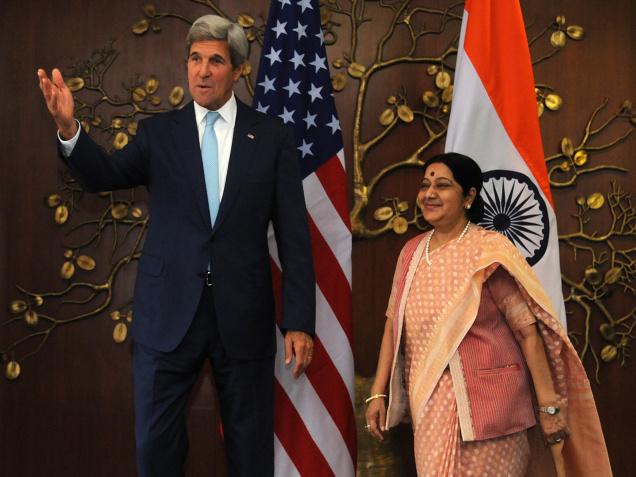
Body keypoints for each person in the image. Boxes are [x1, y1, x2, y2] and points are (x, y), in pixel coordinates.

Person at [37, 14, 315, 477]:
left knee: (250, 452)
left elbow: (293, 236)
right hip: (167, 315)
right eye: (194, 59)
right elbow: (103, 175)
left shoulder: (270, 136)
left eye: (215, 61)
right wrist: (69, 128)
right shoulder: (158, 133)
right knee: (155, 447)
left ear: (239, 69)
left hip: (242, 315)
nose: (202, 71)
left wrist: (299, 321)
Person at [365, 152, 611, 476]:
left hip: (493, 409)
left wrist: (550, 406)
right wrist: (377, 392)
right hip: (431, 407)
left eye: (442, 185)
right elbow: (392, 326)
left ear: (468, 196)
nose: (429, 194)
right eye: (425, 185)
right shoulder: (411, 252)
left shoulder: (489, 250)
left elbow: (527, 332)